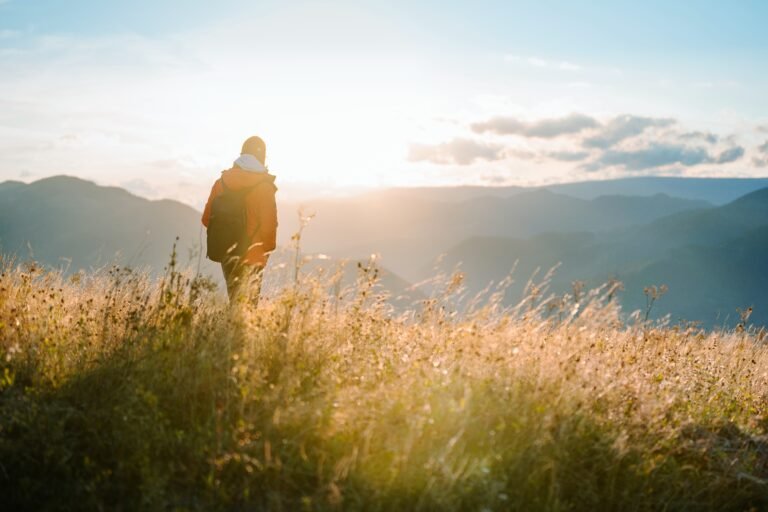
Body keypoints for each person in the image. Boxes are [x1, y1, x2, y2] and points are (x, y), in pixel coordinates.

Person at [202, 136, 278, 305]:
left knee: (235, 301)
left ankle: (230, 330)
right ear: (262, 157)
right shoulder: (265, 187)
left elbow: (206, 219)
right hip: (253, 255)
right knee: (249, 307)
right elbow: (268, 227)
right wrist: (268, 248)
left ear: (242, 153)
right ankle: (239, 331)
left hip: (227, 253)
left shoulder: (221, 183)